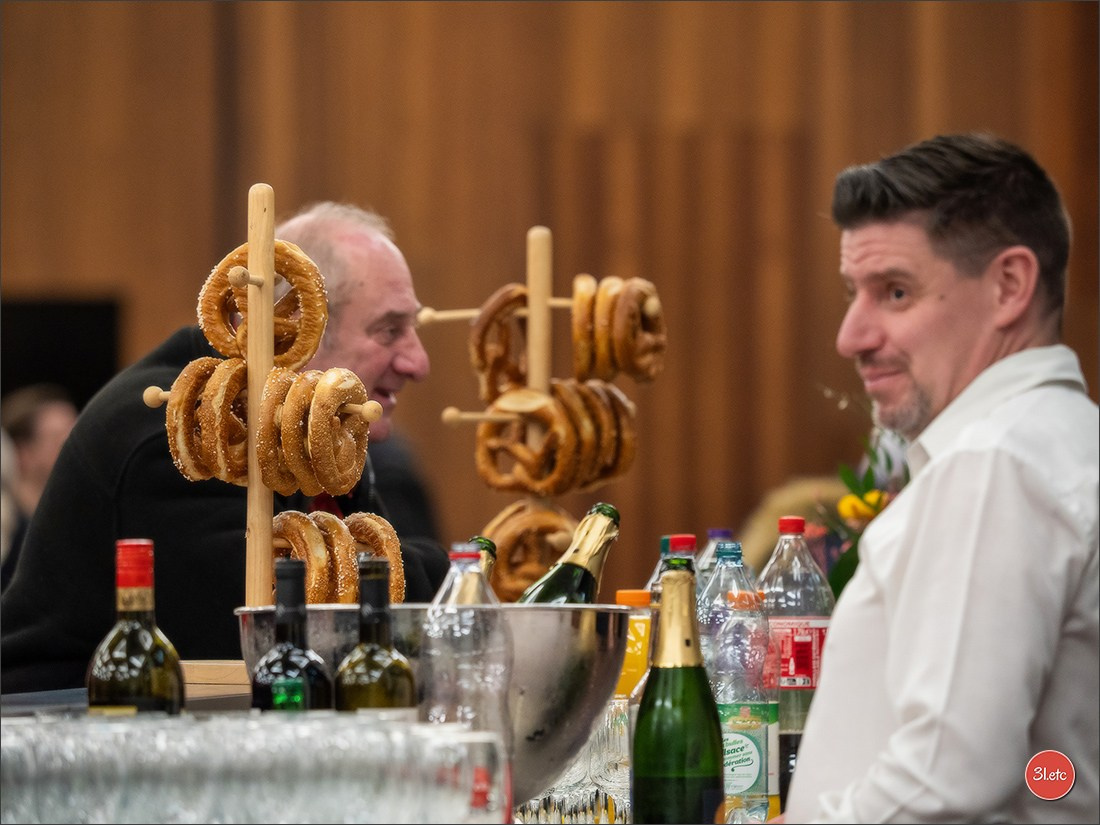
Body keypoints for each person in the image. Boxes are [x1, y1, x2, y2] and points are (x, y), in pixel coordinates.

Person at [0, 201, 450, 694]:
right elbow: (278, 635)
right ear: (295, 324)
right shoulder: (179, 432)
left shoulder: (320, 436)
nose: (418, 362)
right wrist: (451, 574)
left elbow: (374, 575)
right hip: (63, 732)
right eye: (389, 329)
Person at [783, 134, 1098, 823]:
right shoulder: (1057, 440)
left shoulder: (996, 462)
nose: (850, 335)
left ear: (1009, 286)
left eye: (895, 291)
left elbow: (943, 776)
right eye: (853, 293)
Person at [0, 383, 79, 591]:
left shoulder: (79, 519)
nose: (74, 447)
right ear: (22, 452)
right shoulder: (7, 530)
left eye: (76, 434)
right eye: (58, 438)